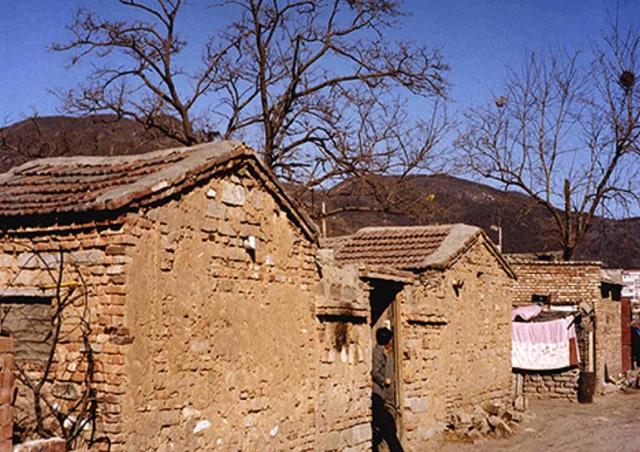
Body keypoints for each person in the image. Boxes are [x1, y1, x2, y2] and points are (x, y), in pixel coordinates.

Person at [372, 327, 403, 452]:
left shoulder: (382, 352)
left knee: (387, 427)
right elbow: (375, 372)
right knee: (388, 427)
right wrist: (384, 380)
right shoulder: (377, 353)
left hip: (382, 397)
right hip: (377, 395)